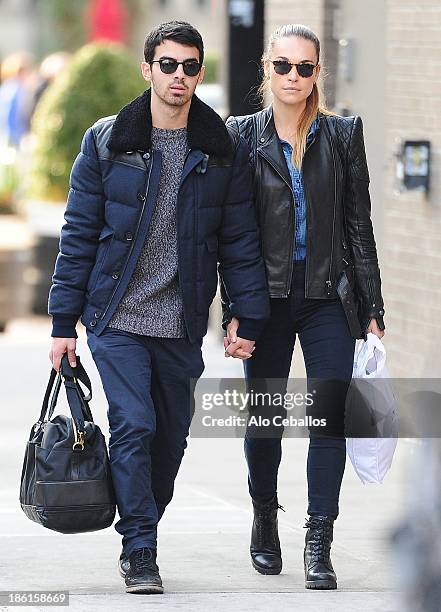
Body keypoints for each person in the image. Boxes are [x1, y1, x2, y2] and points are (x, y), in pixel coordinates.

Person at [48, 20, 269, 595]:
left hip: (180, 320)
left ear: (200, 72)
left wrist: (246, 312)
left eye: (190, 66)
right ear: (147, 68)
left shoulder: (220, 149)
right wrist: (62, 322)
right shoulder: (106, 141)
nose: (179, 77)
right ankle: (139, 548)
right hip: (116, 314)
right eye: (167, 64)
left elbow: (239, 239)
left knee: (169, 437)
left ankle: (142, 515)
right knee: (135, 424)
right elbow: (78, 235)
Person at [222, 23, 385, 590]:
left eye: (306, 68)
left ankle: (320, 538)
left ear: (319, 73)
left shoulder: (342, 135)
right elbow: (230, 233)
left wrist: (372, 302)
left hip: (327, 296)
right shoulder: (239, 136)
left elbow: (358, 224)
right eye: (285, 66)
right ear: (267, 68)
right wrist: (234, 310)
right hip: (262, 299)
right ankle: (265, 518)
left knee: (329, 416)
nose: (295, 76)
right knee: (265, 420)